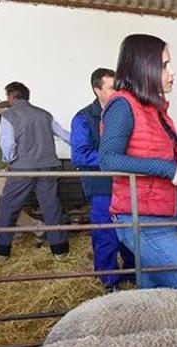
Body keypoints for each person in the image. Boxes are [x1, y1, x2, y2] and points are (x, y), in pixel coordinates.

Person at [99, 34, 177, 290]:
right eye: (164, 65)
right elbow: (107, 159)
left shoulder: (154, 109)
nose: (172, 72)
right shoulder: (123, 104)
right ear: (145, 66)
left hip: (160, 212)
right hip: (142, 218)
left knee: (155, 294)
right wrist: (167, 169)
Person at [70, 67, 134, 291]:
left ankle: (131, 273)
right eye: (111, 87)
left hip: (126, 184)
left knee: (129, 231)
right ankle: (109, 281)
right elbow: (79, 154)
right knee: (106, 234)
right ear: (97, 90)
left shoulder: (123, 114)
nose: (117, 91)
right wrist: (114, 159)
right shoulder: (83, 118)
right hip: (102, 186)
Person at [0, 81, 71, 258]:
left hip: (23, 168)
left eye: (7, 96)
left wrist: (9, 160)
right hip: (48, 167)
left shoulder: (9, 116)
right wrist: (83, 147)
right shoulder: (44, 114)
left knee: (7, 205)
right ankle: (60, 249)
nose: (7, 99)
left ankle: (1, 250)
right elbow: (65, 135)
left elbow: (7, 143)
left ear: (12, 95)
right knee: (51, 206)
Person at [0, 100, 46, 246]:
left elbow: (15, 147)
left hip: (10, 170)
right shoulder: (8, 125)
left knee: (6, 204)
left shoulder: (16, 125)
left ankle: (38, 227)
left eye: (1, 113)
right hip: (5, 170)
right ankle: (17, 234)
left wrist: (11, 164)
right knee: (9, 204)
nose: (0, 116)